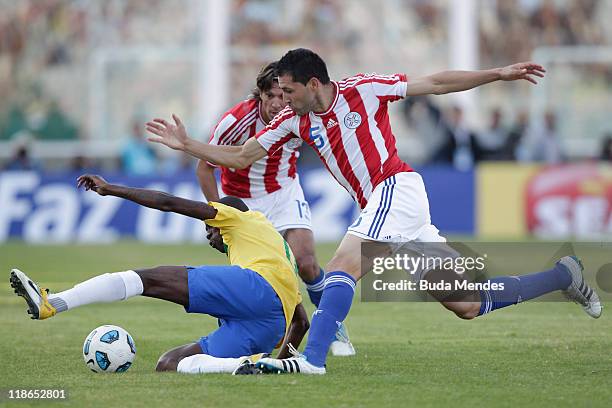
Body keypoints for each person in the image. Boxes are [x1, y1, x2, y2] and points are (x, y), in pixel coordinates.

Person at [145, 48, 600, 375]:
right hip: (387, 206)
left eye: (289, 90)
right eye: (278, 91)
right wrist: (187, 145)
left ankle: (313, 361)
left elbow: (436, 84)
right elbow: (242, 156)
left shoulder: (363, 90)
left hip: (395, 188)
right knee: (467, 302)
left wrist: (498, 74)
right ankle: (564, 274)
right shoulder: (294, 121)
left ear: (313, 85)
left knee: (341, 266)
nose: (282, 98)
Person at [9, 174, 309, 375]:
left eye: (210, 229)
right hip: (268, 325)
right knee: (170, 364)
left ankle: (52, 303)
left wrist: (112, 188)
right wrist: (280, 362)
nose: (209, 237)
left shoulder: (241, 218)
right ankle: (248, 364)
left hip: (257, 289)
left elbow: (168, 203)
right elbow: (301, 322)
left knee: (148, 279)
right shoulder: (276, 249)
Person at [196, 61, 354, 356]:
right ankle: (251, 335)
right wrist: (216, 216)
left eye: (284, 95)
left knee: (306, 263)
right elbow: (204, 168)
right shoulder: (236, 120)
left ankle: (332, 326)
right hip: (242, 201)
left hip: (284, 192)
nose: (278, 103)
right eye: (271, 96)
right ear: (261, 95)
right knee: (254, 279)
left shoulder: (299, 115)